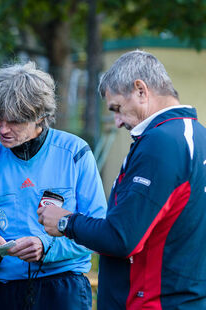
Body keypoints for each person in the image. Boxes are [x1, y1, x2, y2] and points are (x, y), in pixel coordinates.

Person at [38, 50, 206, 309]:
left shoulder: (162, 142)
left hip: (152, 301)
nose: (117, 122)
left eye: (117, 108)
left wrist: (65, 221)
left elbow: (122, 238)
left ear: (140, 90)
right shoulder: (197, 135)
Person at [0, 62, 107, 310]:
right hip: (4, 292)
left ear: (41, 118)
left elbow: (97, 231)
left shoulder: (75, 153)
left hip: (64, 289)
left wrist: (46, 246)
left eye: (14, 121)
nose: (2, 128)